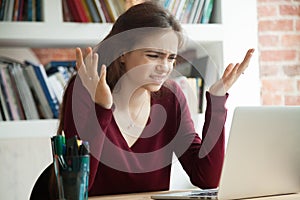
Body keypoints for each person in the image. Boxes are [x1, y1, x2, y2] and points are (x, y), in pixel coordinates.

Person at [57, 1, 254, 197]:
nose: (165, 67)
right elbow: (77, 187)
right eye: (153, 55)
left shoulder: (171, 98)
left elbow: (206, 177)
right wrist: (102, 108)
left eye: (171, 58)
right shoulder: (85, 89)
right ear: (123, 52)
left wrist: (217, 100)